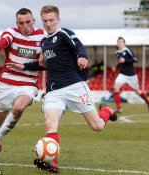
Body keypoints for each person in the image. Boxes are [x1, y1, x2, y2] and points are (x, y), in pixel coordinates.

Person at [7, 5, 117, 173]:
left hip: (75, 86)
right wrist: (22, 66)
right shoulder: (44, 42)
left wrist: (82, 57)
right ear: (41, 21)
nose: (48, 23)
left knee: (97, 126)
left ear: (58, 20)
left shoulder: (64, 33)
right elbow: (43, 65)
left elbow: (78, 46)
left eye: (51, 20)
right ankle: (53, 163)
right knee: (50, 124)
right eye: (45, 21)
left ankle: (106, 112)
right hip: (54, 90)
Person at [0, 8, 45, 163]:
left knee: (18, 107)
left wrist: (26, 66)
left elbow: (45, 64)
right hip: (6, 82)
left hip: (28, 83)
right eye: (21, 23)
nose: (24, 26)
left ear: (34, 21)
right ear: (16, 23)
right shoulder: (11, 33)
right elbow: (0, 45)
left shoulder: (42, 36)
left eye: (28, 22)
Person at [112, 36, 149, 113]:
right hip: (122, 74)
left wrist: (125, 60)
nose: (120, 43)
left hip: (131, 75)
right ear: (117, 44)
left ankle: (148, 102)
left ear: (124, 43)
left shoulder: (128, 50)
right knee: (116, 88)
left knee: (137, 91)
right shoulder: (117, 53)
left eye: (121, 42)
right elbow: (120, 62)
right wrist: (116, 66)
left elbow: (135, 60)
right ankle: (118, 108)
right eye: (118, 42)